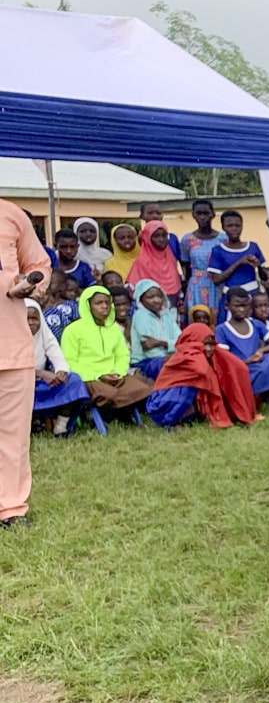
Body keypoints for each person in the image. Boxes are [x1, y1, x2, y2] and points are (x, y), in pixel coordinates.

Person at [1, 200, 50, 526]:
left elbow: (39, 264)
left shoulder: (11, 214)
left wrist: (30, 284)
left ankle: (11, 509)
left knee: (13, 436)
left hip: (12, 345)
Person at [145, 323, 257, 429]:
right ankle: (170, 423)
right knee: (188, 388)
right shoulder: (186, 356)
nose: (209, 348)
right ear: (192, 342)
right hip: (162, 405)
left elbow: (239, 367)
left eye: (212, 344)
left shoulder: (211, 353)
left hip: (184, 405)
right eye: (205, 344)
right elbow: (201, 370)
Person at [61, 287, 153, 412]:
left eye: (107, 302)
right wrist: (98, 375)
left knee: (142, 388)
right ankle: (117, 409)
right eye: (99, 303)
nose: (104, 306)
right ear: (88, 305)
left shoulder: (113, 328)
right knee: (108, 393)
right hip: (89, 378)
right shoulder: (72, 330)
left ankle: (119, 408)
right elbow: (69, 362)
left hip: (115, 376)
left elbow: (122, 355)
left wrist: (118, 372)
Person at [216, 287, 269, 407]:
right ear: (227, 306)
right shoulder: (222, 330)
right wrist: (248, 361)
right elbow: (224, 360)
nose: (241, 309)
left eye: (245, 305)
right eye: (237, 306)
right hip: (238, 369)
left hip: (256, 364)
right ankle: (253, 405)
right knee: (261, 368)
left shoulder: (255, 324)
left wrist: (261, 350)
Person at [27, 298, 88, 435]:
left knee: (74, 380)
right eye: (27, 318)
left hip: (41, 383)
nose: (31, 323)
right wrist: (40, 373)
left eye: (34, 319)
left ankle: (61, 425)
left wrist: (61, 370)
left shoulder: (43, 332)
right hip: (18, 385)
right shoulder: (8, 335)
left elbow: (54, 350)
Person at [206, 212, 266, 317]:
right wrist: (239, 263)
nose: (234, 229)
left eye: (237, 225)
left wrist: (259, 266)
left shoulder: (253, 247)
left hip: (252, 294)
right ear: (223, 227)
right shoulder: (218, 250)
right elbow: (216, 280)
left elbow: (264, 277)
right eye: (230, 226)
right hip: (230, 296)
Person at [128, 279, 181, 381]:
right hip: (145, 362)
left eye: (159, 296)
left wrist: (161, 343)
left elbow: (181, 341)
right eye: (150, 297)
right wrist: (172, 349)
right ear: (141, 299)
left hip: (167, 358)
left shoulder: (166, 315)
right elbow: (150, 350)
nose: (156, 300)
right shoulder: (140, 316)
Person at [180, 199, 223, 316]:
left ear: (213, 214)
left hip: (218, 284)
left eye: (206, 213)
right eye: (199, 213)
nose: (203, 217)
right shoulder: (187, 240)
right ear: (193, 215)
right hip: (196, 287)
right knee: (198, 318)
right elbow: (186, 267)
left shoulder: (223, 239)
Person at [126, 220, 183, 307]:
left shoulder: (170, 258)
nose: (161, 239)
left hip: (173, 307)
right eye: (156, 236)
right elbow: (134, 291)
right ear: (147, 238)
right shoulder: (142, 262)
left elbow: (177, 284)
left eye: (164, 235)